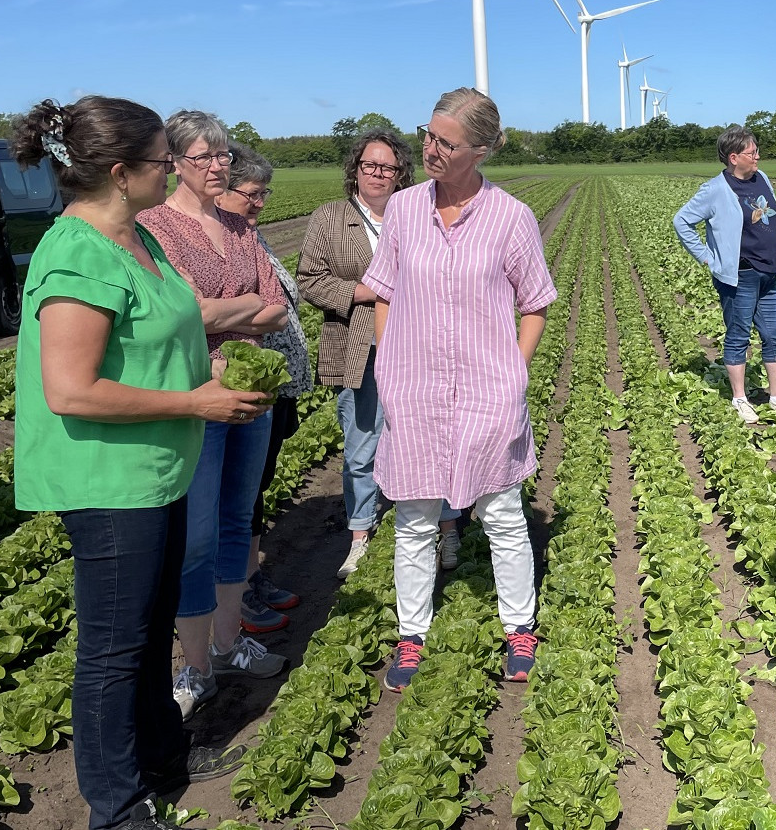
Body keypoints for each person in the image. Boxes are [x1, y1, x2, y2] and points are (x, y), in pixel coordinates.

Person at [10, 96, 265, 830]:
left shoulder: (137, 243)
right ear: (122, 173)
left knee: (149, 630)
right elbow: (71, 388)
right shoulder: (78, 253)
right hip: (108, 481)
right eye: (162, 162)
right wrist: (196, 405)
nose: (174, 171)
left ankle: (163, 761)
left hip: (156, 470)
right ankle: (116, 808)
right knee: (114, 651)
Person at [361, 88, 556, 691]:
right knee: (415, 519)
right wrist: (390, 370)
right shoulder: (403, 210)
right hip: (414, 390)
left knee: (501, 513)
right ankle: (411, 634)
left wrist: (513, 375)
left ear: (481, 150)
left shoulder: (511, 217)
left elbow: (536, 305)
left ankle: (519, 627)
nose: (430, 149)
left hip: (485, 392)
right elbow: (384, 293)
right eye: (428, 134)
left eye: (445, 142)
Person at [140, 111, 291, 720]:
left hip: (251, 397)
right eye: (202, 156)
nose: (217, 166)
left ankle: (231, 643)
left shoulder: (239, 224)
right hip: (197, 397)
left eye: (223, 155)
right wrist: (243, 307)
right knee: (196, 535)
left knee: (236, 521)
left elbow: (277, 307)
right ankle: (195, 664)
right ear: (174, 161)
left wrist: (225, 310)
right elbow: (179, 315)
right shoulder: (154, 227)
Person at [294, 129, 471, 580]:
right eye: (369, 166)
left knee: (436, 436)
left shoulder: (417, 212)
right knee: (361, 443)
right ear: (355, 170)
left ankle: (447, 526)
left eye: (388, 167)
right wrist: (362, 292)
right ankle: (360, 533)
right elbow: (310, 278)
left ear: (400, 174)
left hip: (419, 343)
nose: (378, 174)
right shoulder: (330, 217)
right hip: (359, 344)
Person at [218, 144, 314, 628]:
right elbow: (251, 308)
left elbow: (274, 304)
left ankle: (250, 578)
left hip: (274, 387)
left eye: (263, 193)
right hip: (242, 388)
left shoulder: (250, 237)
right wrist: (256, 310)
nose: (260, 203)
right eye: (251, 194)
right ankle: (233, 599)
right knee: (237, 497)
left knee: (254, 490)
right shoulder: (217, 242)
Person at [672, 125, 776, 423]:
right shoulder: (715, 190)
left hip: (769, 270)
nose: (758, 156)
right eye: (752, 152)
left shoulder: (761, 179)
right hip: (740, 275)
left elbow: (768, 213)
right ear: (734, 157)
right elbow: (682, 221)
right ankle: (740, 398)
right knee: (738, 336)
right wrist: (706, 257)